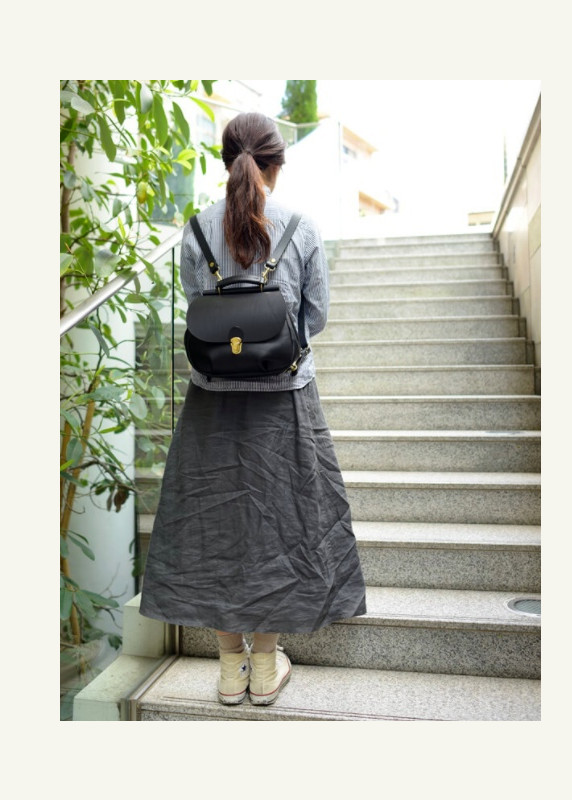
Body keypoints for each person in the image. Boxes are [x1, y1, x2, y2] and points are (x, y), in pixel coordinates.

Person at [139, 112, 367, 707]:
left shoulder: (195, 229)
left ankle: (227, 667)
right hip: (285, 400)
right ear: (276, 165)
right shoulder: (302, 227)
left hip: (211, 402)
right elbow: (315, 317)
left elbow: (200, 308)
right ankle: (264, 668)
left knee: (212, 526)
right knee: (284, 526)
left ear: (227, 162)